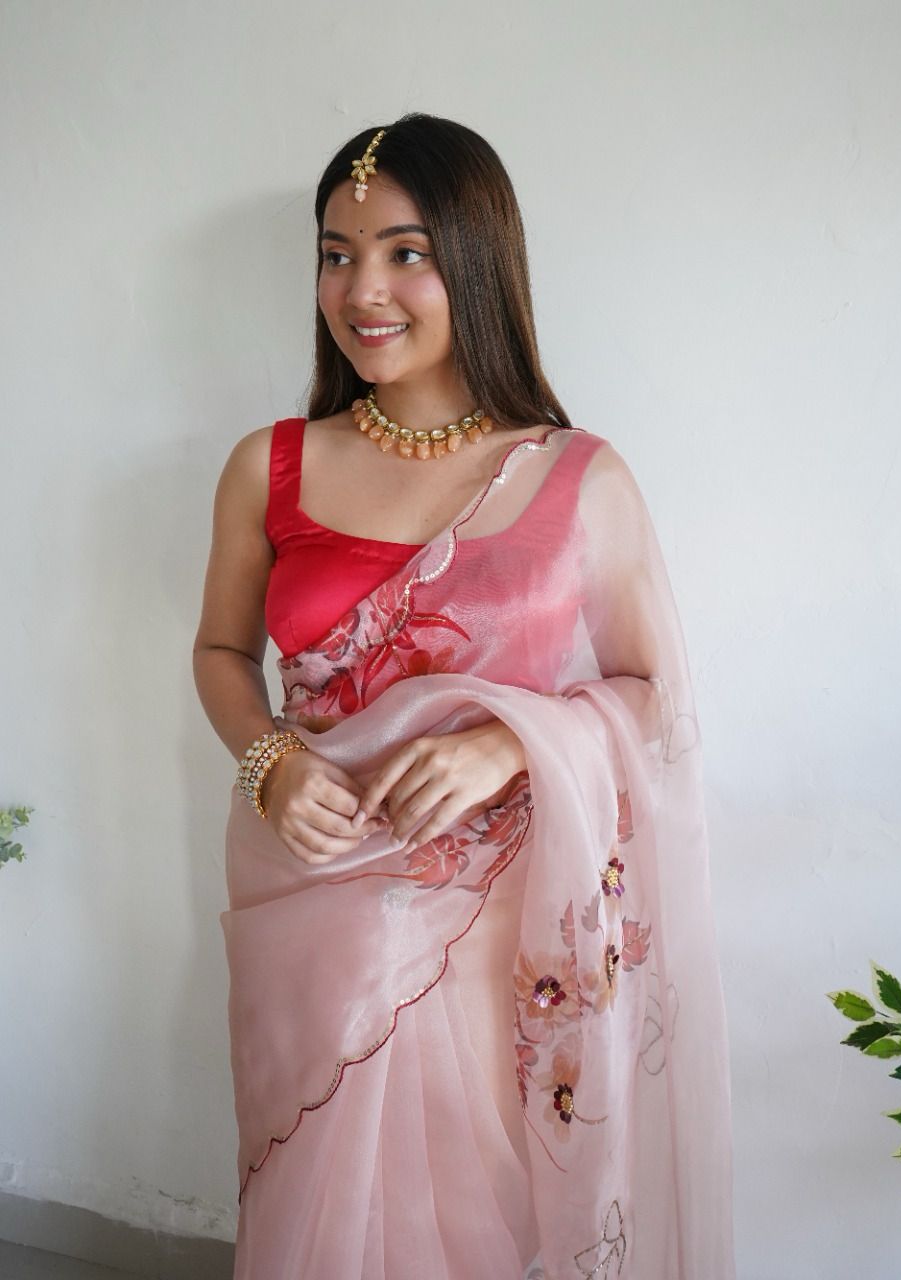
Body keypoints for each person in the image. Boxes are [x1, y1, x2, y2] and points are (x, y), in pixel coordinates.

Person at [193, 113, 736, 1280]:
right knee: (318, 1207)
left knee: (484, 1217)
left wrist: (504, 746)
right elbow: (223, 652)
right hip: (309, 897)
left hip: (498, 932)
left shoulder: (577, 476)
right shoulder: (268, 464)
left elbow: (656, 695)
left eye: (406, 252)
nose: (362, 290)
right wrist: (269, 761)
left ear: (478, 261)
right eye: (336, 254)